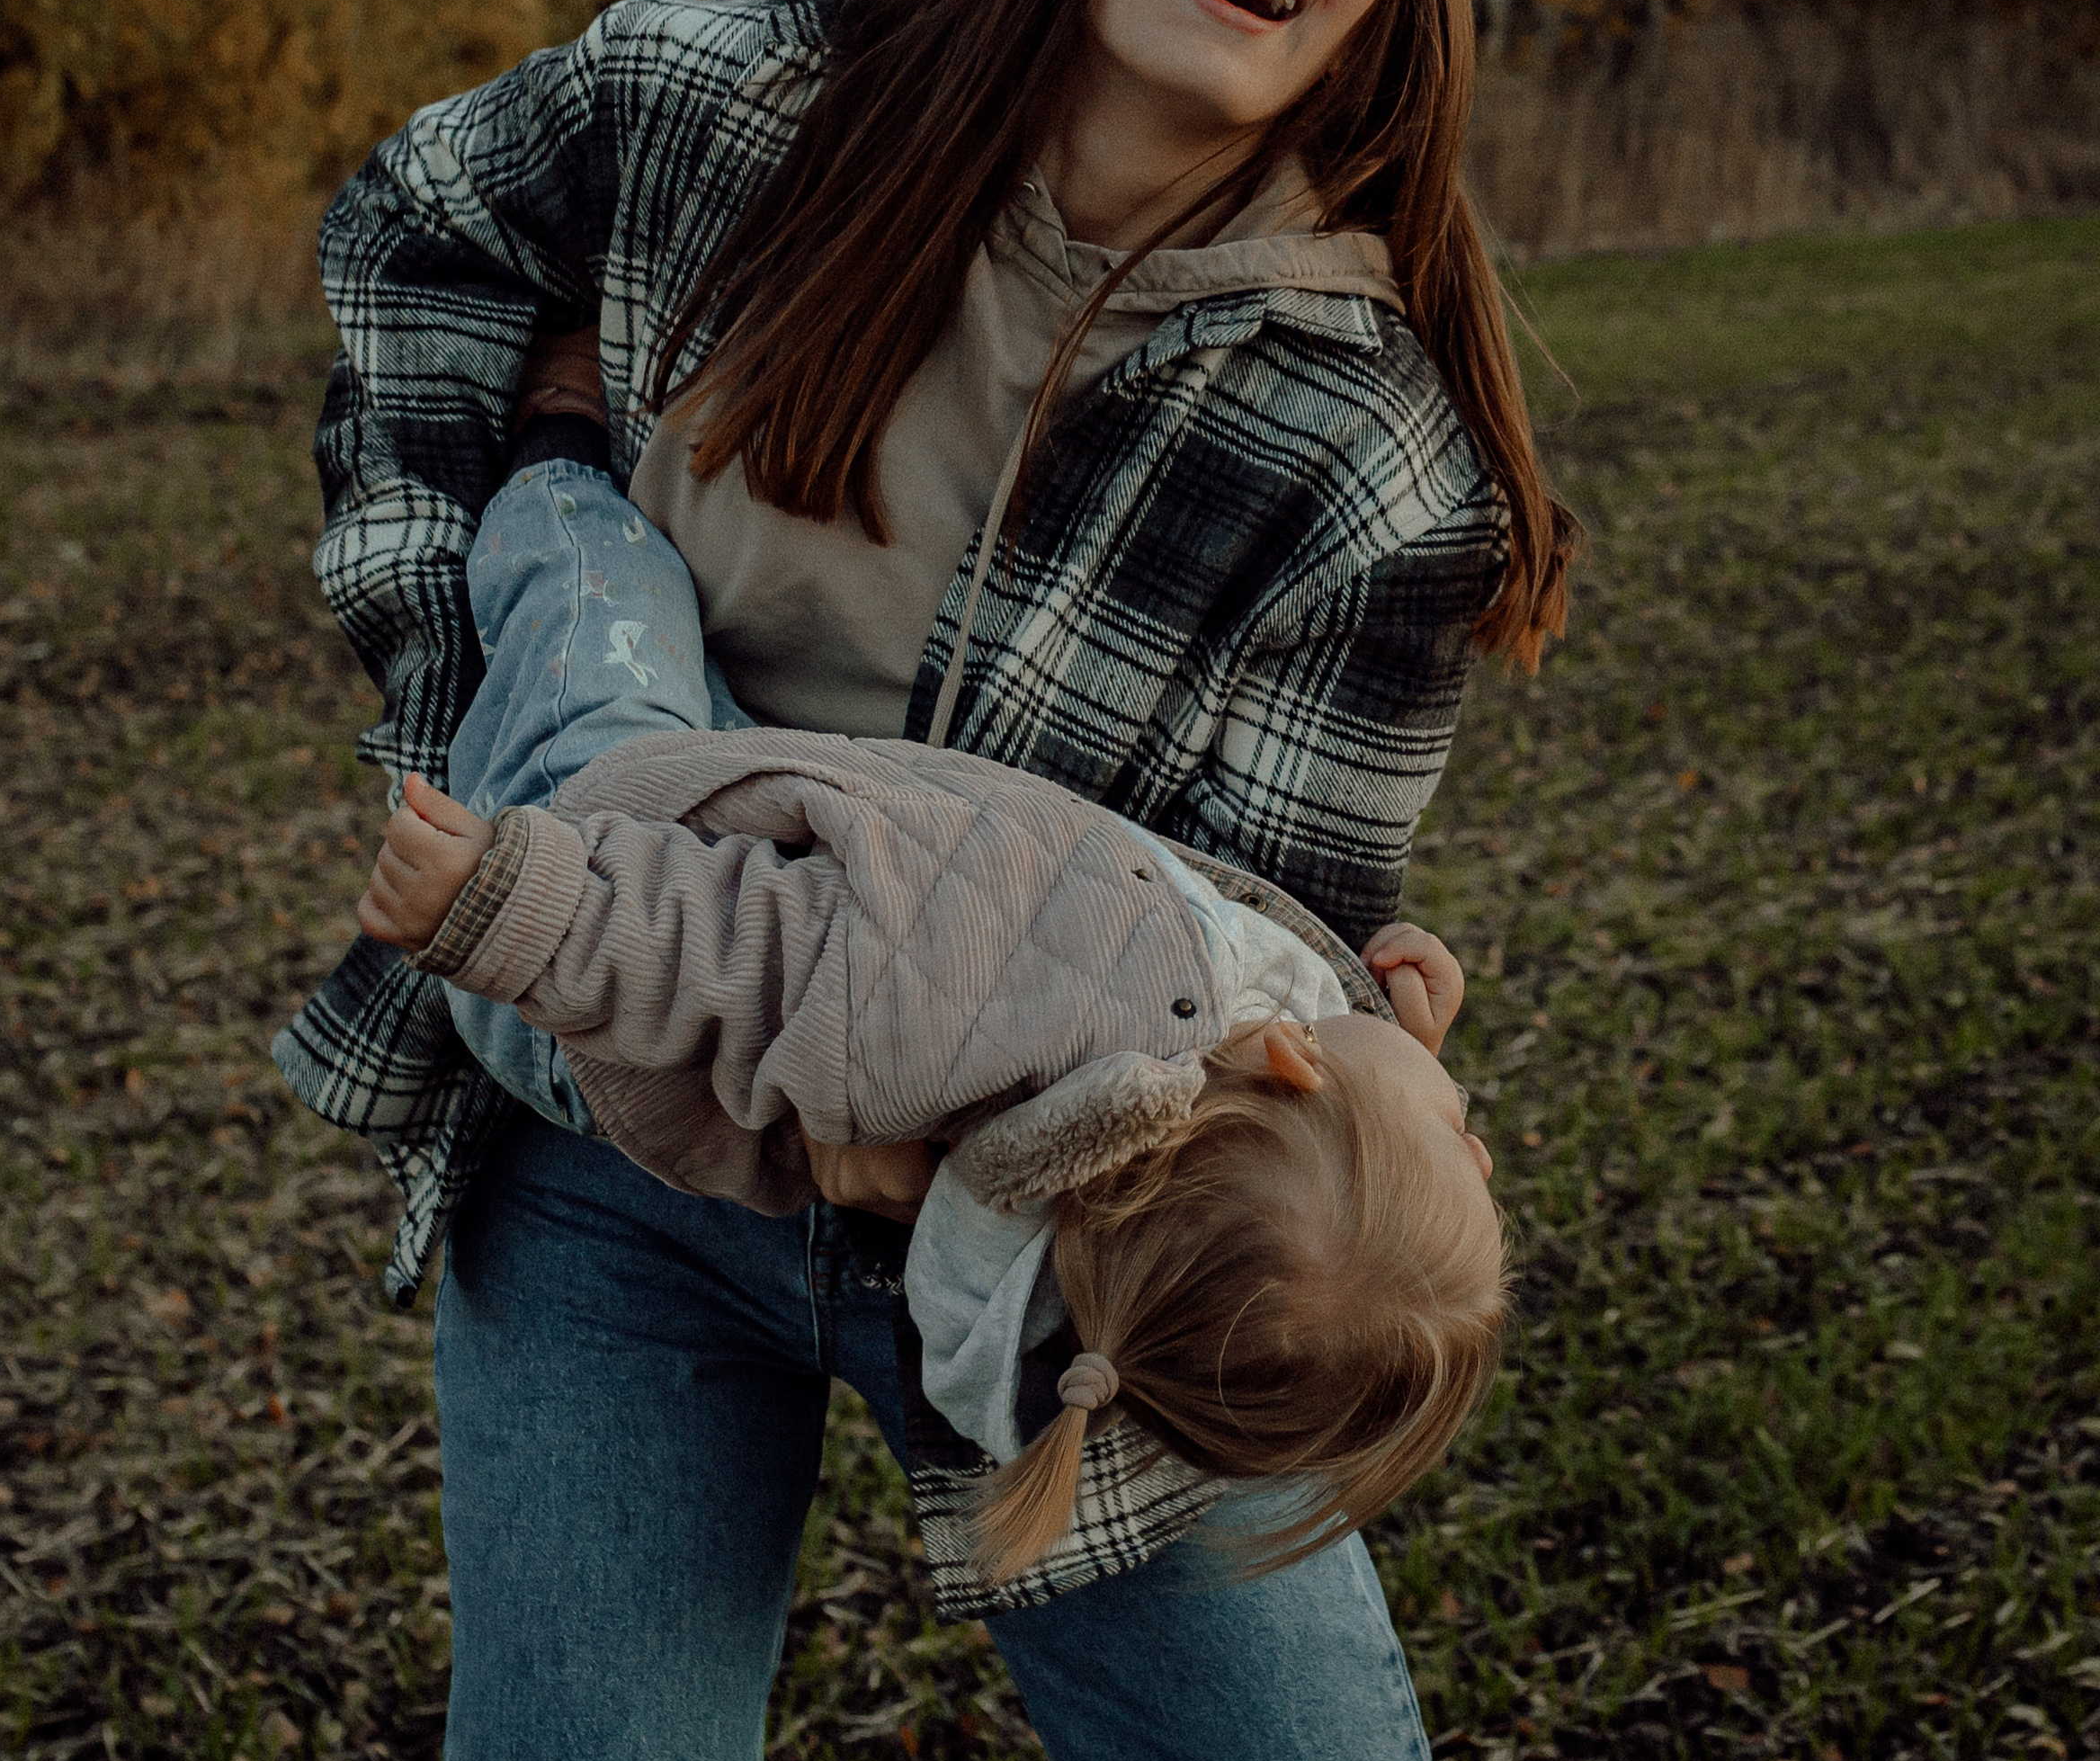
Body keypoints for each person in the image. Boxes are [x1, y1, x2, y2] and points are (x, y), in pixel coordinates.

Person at [299, 0, 1577, 1761]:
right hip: (620, 1155)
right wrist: (467, 687)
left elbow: (1257, 908)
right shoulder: (722, 112)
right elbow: (414, 242)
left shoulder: (1374, 449)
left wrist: (1336, 1018)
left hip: (1067, 1251)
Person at [345, 441, 1507, 1598]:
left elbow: (747, 949)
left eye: (1459, 1146)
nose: (1482, 1142)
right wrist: (1395, 1053)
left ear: (1291, 1061)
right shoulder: (1166, 1169)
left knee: (600, 589)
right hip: (741, 858)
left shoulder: (1022, 1003)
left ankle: (534, 477)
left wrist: (506, 910)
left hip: (612, 903)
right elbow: (1309, 1144)